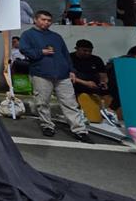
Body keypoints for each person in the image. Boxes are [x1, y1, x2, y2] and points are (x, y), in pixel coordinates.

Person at [19, 10, 93, 143]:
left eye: (49, 20)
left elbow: (65, 54)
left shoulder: (56, 37)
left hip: (62, 73)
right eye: (43, 19)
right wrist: (40, 52)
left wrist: (71, 70)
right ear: (35, 20)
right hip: (41, 73)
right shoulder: (28, 35)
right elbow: (24, 49)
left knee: (70, 102)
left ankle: (80, 130)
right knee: (42, 102)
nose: (46, 22)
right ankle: (47, 125)